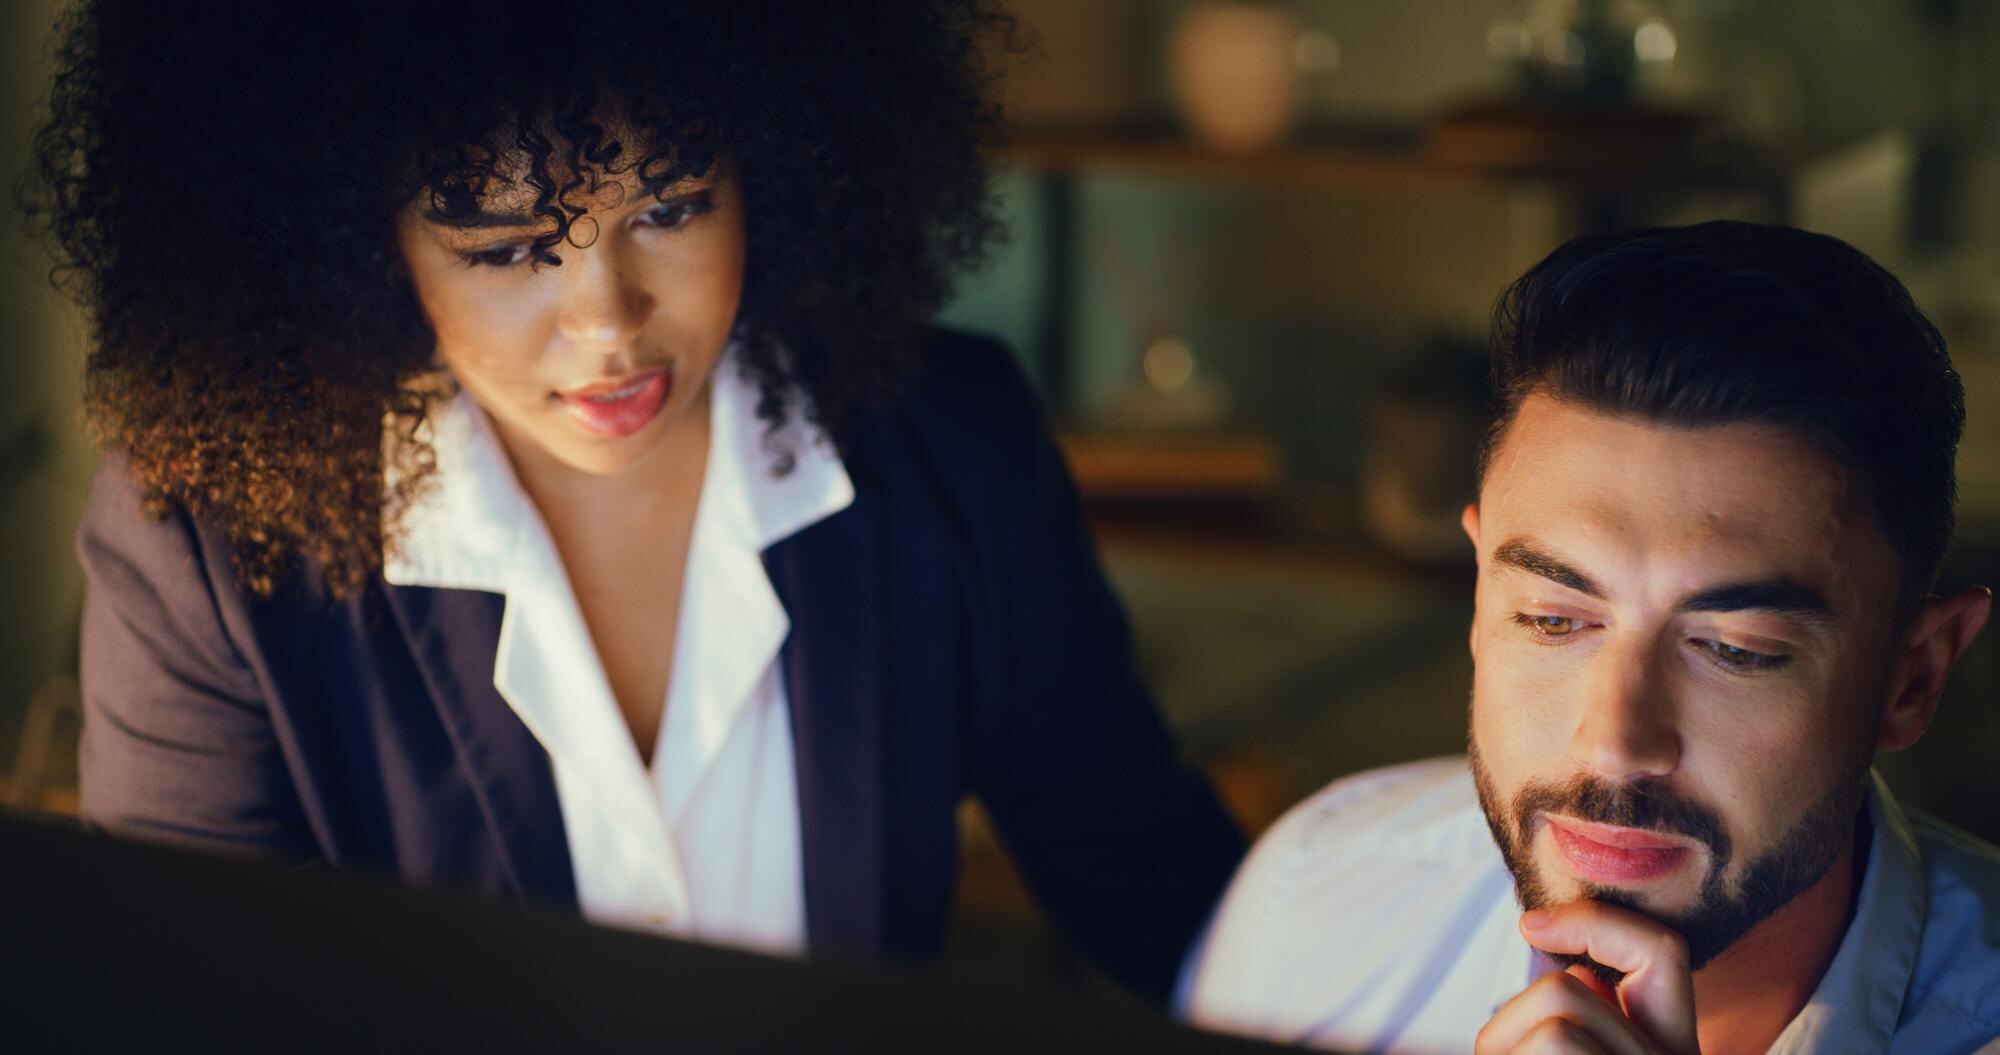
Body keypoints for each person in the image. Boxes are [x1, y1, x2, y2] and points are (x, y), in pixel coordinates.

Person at [23, 0, 1245, 1003]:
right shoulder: (209, 547)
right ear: (355, 240)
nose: (607, 321)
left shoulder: (949, 449)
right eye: (506, 248)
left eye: (669, 208)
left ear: (772, 160)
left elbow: (1168, 899)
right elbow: (196, 1009)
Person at [1180, 222, 2000, 1053]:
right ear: (1481, 601)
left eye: (1736, 649)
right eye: (1552, 619)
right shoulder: (1311, 904)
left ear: (1915, 676)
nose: (1612, 745)